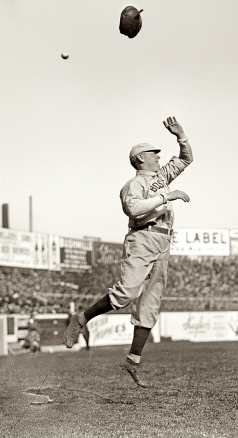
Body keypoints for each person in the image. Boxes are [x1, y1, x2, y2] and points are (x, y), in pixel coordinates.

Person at [63, 116, 193, 388]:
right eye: (153, 155)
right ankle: (81, 318)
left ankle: (133, 361)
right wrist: (166, 197)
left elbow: (185, 158)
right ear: (139, 159)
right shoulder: (133, 185)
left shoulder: (161, 176)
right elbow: (133, 209)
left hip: (163, 242)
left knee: (150, 304)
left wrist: (180, 135)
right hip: (143, 237)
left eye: (158, 155)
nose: (158, 158)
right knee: (126, 293)